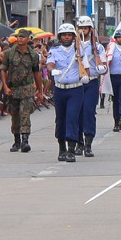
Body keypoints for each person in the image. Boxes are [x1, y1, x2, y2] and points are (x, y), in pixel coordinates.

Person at [47, 23, 88, 162]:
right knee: (60, 119)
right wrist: (52, 70)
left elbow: (85, 66)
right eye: (64, 35)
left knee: (72, 118)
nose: (66, 37)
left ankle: (71, 149)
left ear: (73, 36)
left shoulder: (79, 50)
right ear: (60, 36)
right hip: (60, 89)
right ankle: (61, 148)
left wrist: (86, 75)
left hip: (75, 89)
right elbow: (50, 63)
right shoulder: (55, 50)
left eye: (69, 35)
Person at [0, 28, 45, 153]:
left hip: (27, 88)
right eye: (19, 37)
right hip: (13, 88)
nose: (20, 39)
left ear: (28, 39)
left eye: (23, 37)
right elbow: (3, 70)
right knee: (14, 115)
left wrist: (40, 91)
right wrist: (5, 87)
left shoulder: (33, 55)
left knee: (25, 114)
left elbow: (37, 73)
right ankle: (16, 140)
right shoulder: (9, 53)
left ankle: (25, 141)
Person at [76, 16, 105, 156]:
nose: (83, 30)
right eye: (81, 28)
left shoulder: (98, 47)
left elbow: (103, 64)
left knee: (88, 111)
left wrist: (101, 68)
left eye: (85, 28)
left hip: (92, 82)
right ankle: (78, 142)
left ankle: (88, 143)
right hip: (77, 83)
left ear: (90, 30)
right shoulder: (73, 47)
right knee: (76, 113)